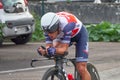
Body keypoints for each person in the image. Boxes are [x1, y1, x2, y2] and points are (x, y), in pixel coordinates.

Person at [38, 11, 91, 80]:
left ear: (57, 27)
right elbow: (49, 47)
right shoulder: (47, 28)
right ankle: (62, 74)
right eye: (47, 32)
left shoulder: (67, 25)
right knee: (55, 52)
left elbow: (64, 49)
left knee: (81, 68)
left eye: (51, 32)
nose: (49, 35)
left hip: (79, 35)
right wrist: (45, 51)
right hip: (64, 35)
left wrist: (54, 50)